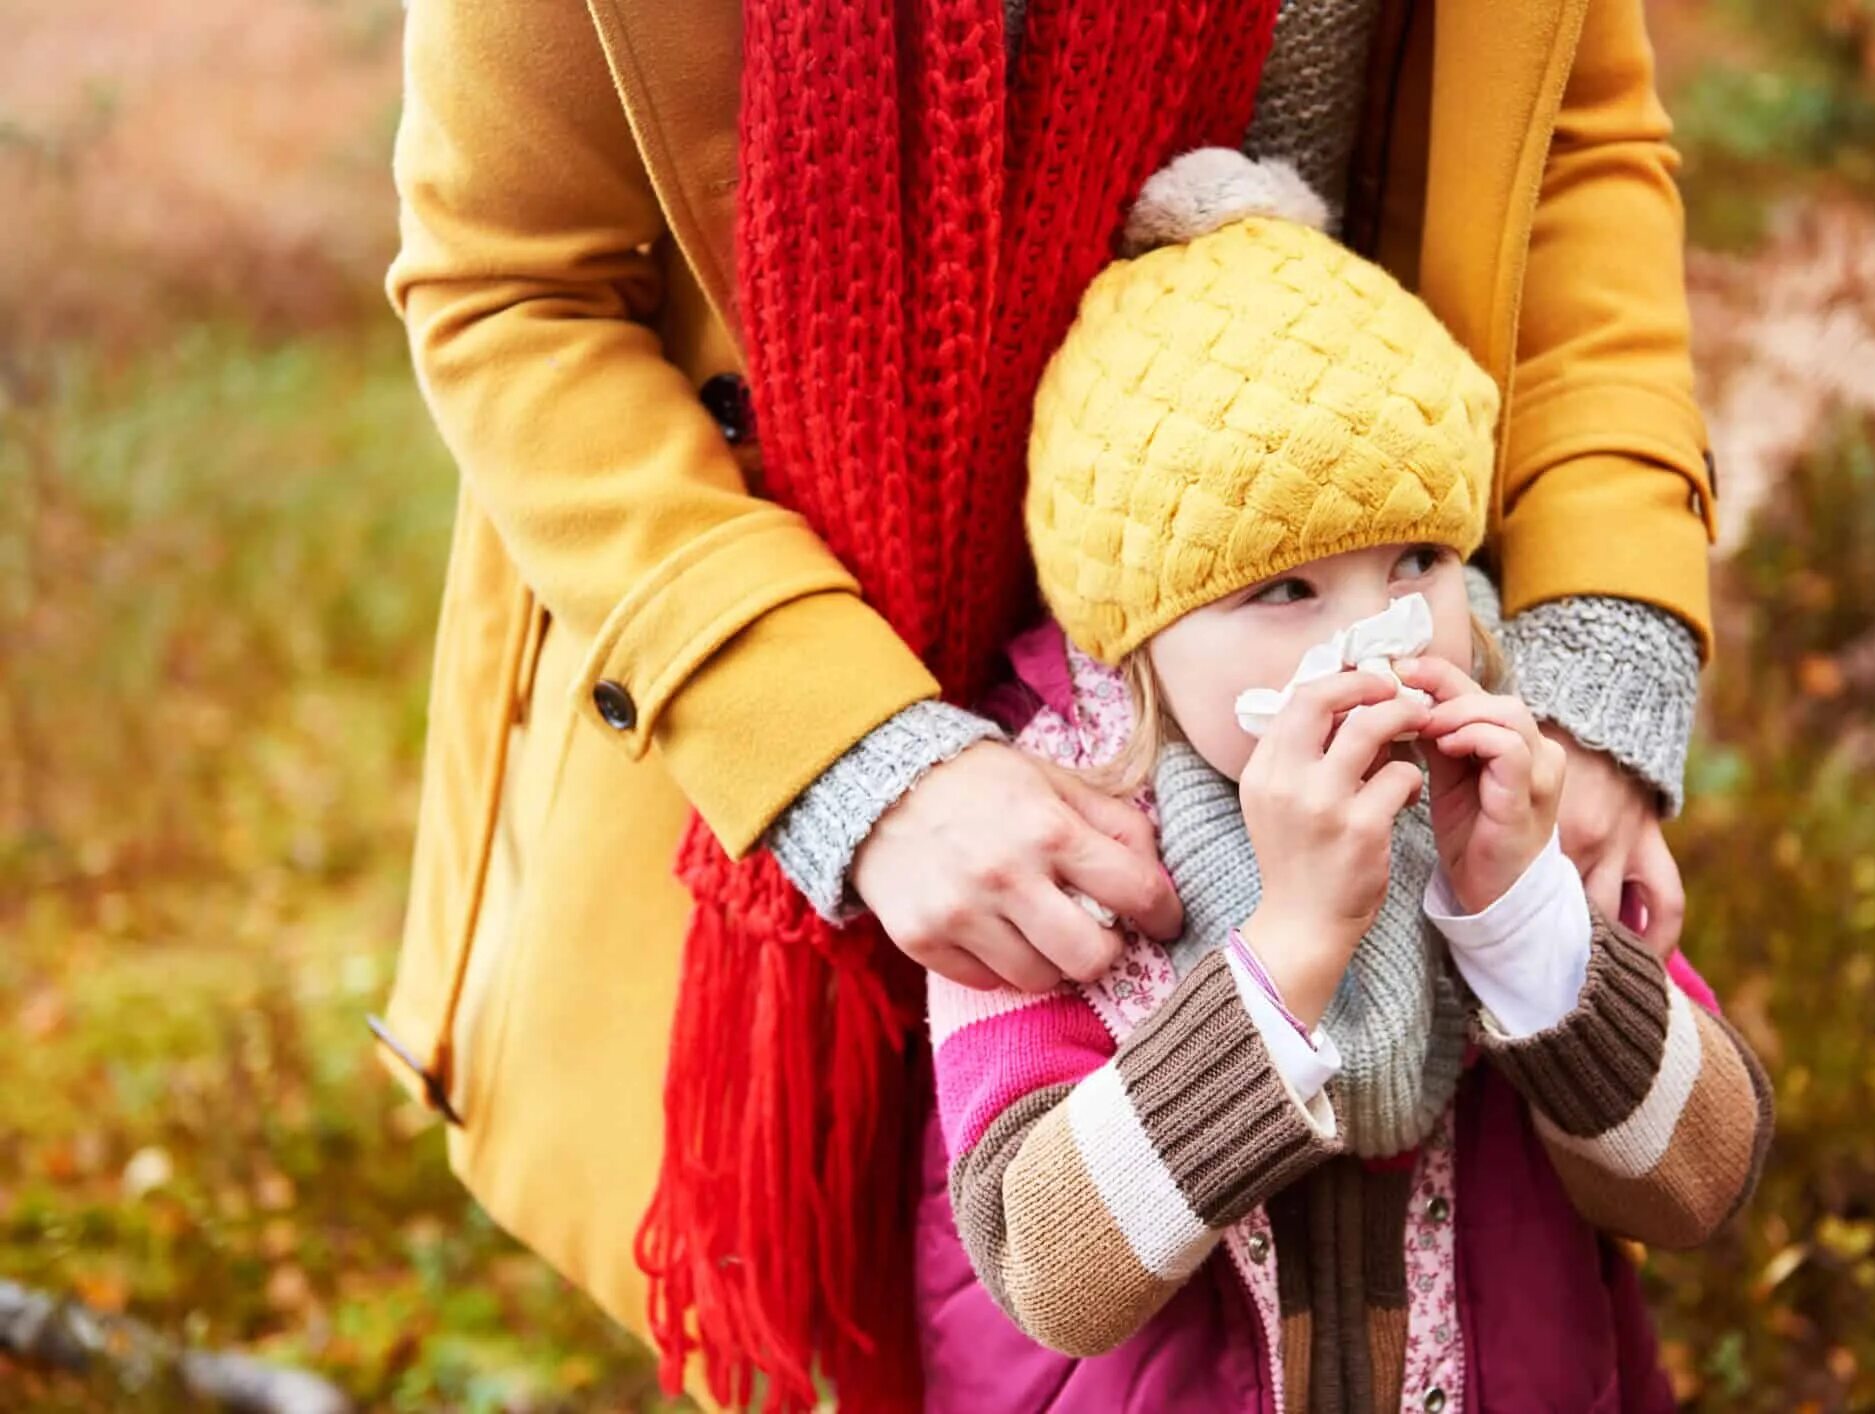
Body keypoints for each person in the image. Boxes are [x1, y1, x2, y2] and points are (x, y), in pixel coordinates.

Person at [375, 0, 1721, 1405]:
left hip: (1365, 455)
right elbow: (510, 286)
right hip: (860, 643)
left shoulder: (1465, 776)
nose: (1370, 642)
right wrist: (843, 753)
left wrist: (1592, 648)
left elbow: (1564, 136)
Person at [918, 149, 1770, 1412]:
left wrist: (1519, 913)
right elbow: (1053, 1273)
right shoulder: (1046, 836)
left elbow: (1699, 1180)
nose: (1382, 639)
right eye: (1285, 589)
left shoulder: (1506, 770)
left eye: (1418, 559)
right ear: (1135, 629)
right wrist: (1294, 944)